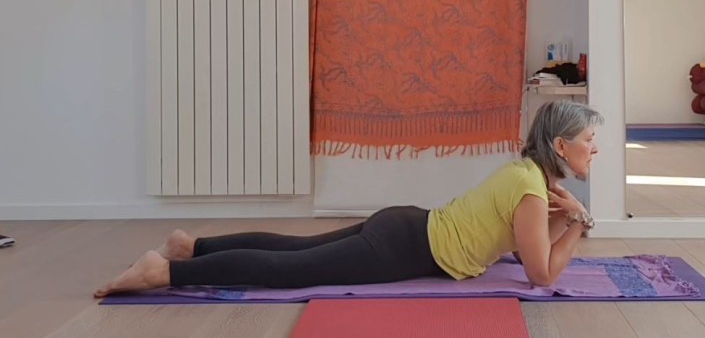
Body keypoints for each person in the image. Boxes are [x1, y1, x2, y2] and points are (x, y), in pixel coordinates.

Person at [94, 100, 602, 297]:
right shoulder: (533, 191)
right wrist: (580, 222)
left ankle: (192, 246)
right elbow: (540, 275)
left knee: (296, 249)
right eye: (589, 140)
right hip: (408, 246)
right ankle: (165, 273)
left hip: (406, 225)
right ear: (561, 147)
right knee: (290, 270)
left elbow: (527, 247)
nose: (594, 149)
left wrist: (569, 215)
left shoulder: (528, 176)